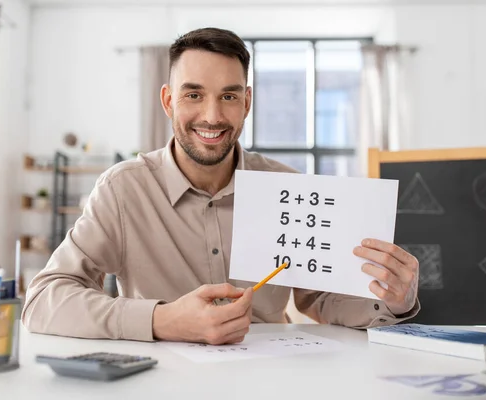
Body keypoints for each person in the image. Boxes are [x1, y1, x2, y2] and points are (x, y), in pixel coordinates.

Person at [22, 27, 420, 345]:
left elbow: (319, 299)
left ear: (246, 102)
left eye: (228, 96)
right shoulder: (123, 190)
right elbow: (43, 301)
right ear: (168, 101)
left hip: (270, 378)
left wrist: (392, 301)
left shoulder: (288, 187)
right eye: (193, 94)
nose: (212, 116)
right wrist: (162, 319)